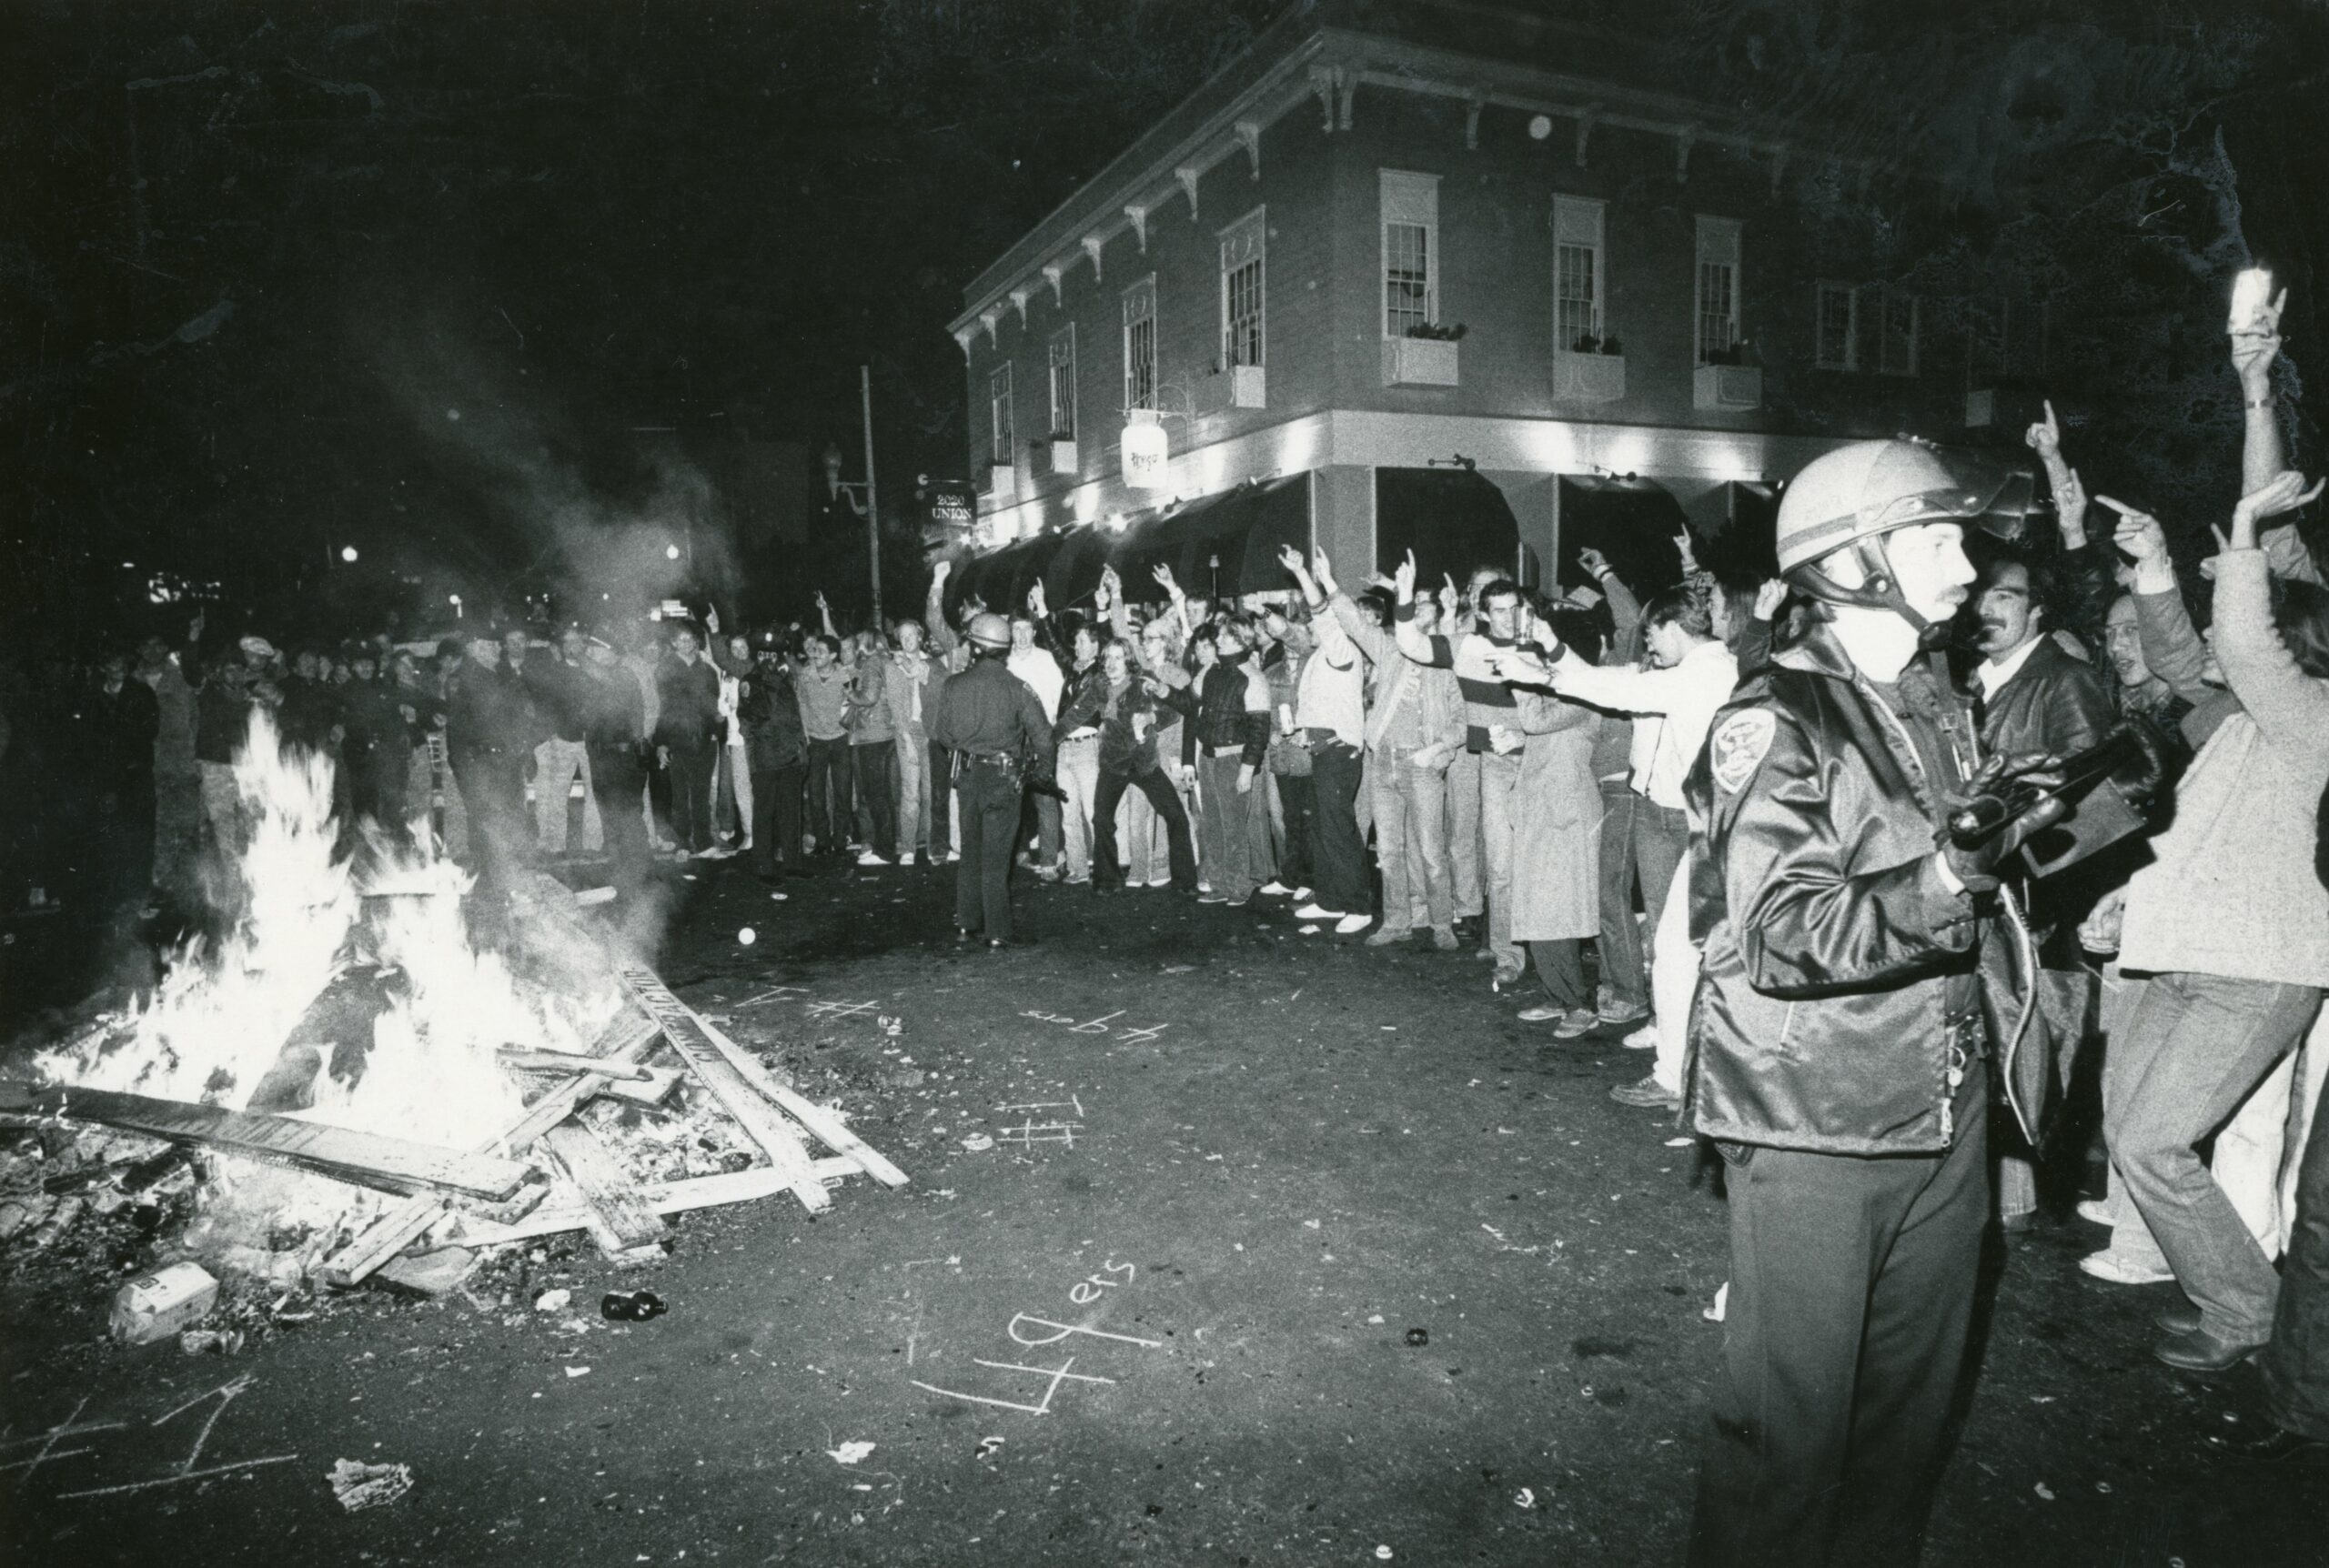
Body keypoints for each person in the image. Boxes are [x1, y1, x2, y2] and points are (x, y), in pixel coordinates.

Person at [1685, 437, 2071, 1568]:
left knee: (1906, 1421)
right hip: (1817, 1119)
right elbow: (1781, 932)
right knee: (1787, 1436)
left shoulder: (1930, 698)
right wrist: (1947, 881)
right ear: (1853, 561)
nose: (1965, 560)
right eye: (1936, 537)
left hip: (1939, 1109)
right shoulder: (1776, 717)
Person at [2107, 470, 2329, 1371]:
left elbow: (2239, 641)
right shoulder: (2240, 719)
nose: (2219, 649)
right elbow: (2179, 657)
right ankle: (2227, 1289)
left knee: (2154, 1141)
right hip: (2185, 957)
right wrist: (2154, 565)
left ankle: (2245, 1310)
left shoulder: (2311, 721)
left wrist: (2243, 529)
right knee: (2131, 1133)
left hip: (2253, 971)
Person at [932, 611, 1054, 948]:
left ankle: (967, 922)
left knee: (970, 850)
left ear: (974, 647)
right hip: (1004, 777)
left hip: (969, 777)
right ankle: (996, 931)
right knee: (997, 858)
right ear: (1004, 649)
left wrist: (968, 743)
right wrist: (1042, 774)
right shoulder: (1017, 688)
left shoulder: (954, 685)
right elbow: (1043, 738)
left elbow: (942, 735)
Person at [738, 629, 807, 888]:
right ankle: (764, 866)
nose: (770, 658)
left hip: (790, 754)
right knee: (765, 813)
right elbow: (760, 712)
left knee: (791, 812)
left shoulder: (784, 678)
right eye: (764, 654)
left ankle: (793, 864)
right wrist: (772, 679)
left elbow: (793, 716)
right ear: (758, 656)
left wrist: (801, 749)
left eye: (774, 654)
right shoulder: (751, 681)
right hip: (765, 757)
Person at [580, 635, 649, 884]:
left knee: (627, 808)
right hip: (600, 752)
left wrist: (579, 656)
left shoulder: (623, 675)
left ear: (608, 652)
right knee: (607, 808)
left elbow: (604, 678)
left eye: (593, 650)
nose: (590, 653)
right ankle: (618, 862)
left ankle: (640, 866)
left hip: (621, 754)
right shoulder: (596, 678)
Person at [655, 621, 721, 858]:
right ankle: (683, 841)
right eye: (682, 640)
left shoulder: (707, 671)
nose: (688, 644)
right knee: (680, 797)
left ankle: (704, 841)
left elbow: (715, 705)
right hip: (677, 740)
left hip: (704, 739)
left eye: (691, 639)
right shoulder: (665, 669)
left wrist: (716, 731)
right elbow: (662, 708)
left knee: (702, 795)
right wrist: (661, 743)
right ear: (673, 643)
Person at [796, 628, 851, 859]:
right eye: (814, 650)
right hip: (816, 742)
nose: (815, 654)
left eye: (820, 651)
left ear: (833, 656)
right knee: (816, 794)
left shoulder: (845, 676)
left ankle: (840, 841)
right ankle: (822, 841)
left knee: (842, 793)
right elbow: (801, 706)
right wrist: (807, 736)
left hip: (840, 741)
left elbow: (852, 706)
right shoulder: (806, 676)